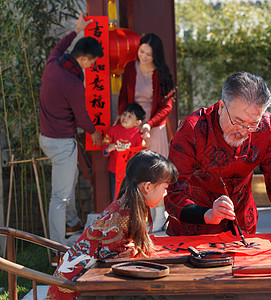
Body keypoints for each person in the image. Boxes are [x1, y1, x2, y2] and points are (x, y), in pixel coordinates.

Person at [166, 71, 271, 242]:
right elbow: (174, 191)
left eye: (252, 124)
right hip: (194, 228)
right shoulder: (191, 129)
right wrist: (207, 215)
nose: (243, 131)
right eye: (237, 121)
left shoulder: (265, 127)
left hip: (242, 224)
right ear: (222, 107)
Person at [45, 150, 179, 300]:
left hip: (85, 279)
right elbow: (111, 262)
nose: (165, 194)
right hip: (76, 287)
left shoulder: (131, 205)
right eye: (165, 188)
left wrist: (133, 248)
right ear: (147, 187)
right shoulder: (122, 214)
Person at [39, 13, 103, 248]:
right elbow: (82, 116)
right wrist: (94, 132)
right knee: (60, 197)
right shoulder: (73, 83)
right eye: (92, 62)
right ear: (84, 59)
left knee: (71, 178)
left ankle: (73, 222)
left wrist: (77, 31)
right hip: (62, 143)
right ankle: (57, 245)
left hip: (46, 138)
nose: (93, 66)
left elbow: (59, 45)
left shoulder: (53, 63)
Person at [118, 33, 175, 231]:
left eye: (148, 55)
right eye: (141, 51)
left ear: (155, 56)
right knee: (135, 173)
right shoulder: (130, 68)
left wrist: (149, 123)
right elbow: (124, 96)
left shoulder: (162, 73)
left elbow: (166, 106)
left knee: (156, 173)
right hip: (133, 128)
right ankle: (140, 215)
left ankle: (160, 214)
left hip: (154, 128)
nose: (143, 56)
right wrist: (126, 119)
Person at [102, 103, 149, 198]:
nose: (125, 118)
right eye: (124, 114)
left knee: (131, 196)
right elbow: (104, 145)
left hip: (131, 171)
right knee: (117, 195)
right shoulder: (113, 130)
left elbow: (142, 152)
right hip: (115, 170)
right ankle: (117, 212)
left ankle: (130, 212)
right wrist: (108, 149)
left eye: (130, 116)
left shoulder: (138, 135)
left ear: (137, 122)